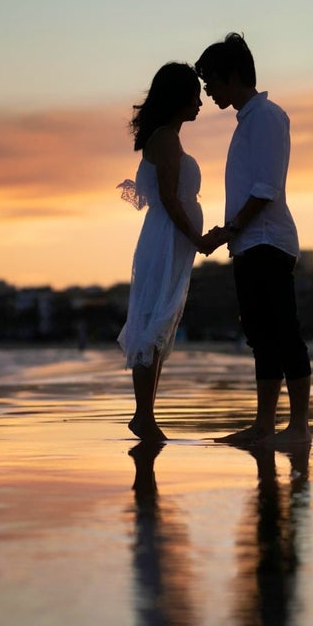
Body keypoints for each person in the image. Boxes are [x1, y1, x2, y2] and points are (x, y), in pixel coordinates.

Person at [196, 33, 312, 445]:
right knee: (262, 336)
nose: (207, 90)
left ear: (233, 76)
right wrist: (229, 235)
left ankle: (298, 427)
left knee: (283, 331)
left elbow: (266, 188)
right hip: (249, 243)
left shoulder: (266, 116)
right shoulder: (248, 119)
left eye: (211, 81)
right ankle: (264, 426)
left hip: (268, 241)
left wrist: (229, 230)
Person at [117, 62, 206, 442]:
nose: (200, 102)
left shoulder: (168, 137)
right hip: (167, 238)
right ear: (178, 98)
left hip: (170, 239)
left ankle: (146, 415)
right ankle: (143, 416)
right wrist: (197, 238)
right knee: (154, 318)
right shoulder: (167, 139)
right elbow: (169, 199)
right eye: (194, 95)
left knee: (160, 321)